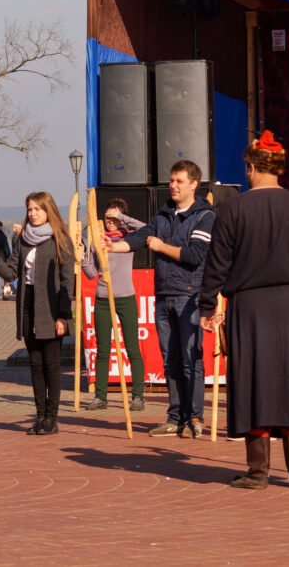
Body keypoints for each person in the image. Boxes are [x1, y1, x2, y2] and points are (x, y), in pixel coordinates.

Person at [199, 132, 289, 489]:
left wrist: (207, 305)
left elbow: (217, 265)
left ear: (252, 166)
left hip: (251, 307)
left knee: (253, 383)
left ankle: (258, 472)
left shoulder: (232, 209)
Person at [107, 160, 215, 438]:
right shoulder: (164, 213)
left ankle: (195, 418)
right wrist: (113, 246)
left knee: (191, 359)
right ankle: (175, 417)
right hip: (163, 295)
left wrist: (162, 246)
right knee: (170, 360)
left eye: (179, 181)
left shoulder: (204, 216)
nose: (173, 185)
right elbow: (141, 237)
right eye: (171, 180)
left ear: (193, 184)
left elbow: (195, 255)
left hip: (189, 296)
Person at [0, 192, 74, 436]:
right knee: (35, 364)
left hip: (51, 305)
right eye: (30, 209)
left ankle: (52, 417)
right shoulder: (23, 240)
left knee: (51, 364)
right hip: (28, 303)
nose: (33, 213)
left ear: (49, 211)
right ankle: (40, 416)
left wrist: (62, 315)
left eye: (38, 209)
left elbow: (67, 280)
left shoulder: (61, 239)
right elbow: (10, 273)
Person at [76, 198, 147, 412]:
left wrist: (122, 217)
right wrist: (82, 259)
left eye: (113, 217)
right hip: (103, 298)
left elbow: (145, 228)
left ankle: (138, 397)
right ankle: (100, 397)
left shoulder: (130, 238)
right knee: (103, 349)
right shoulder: (97, 240)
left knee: (132, 347)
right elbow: (91, 274)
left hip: (125, 297)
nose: (109, 221)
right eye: (106, 217)